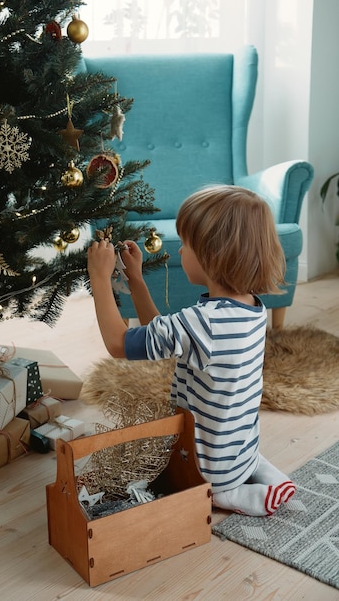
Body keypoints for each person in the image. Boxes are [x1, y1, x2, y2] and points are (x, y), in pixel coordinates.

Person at [87, 185, 297, 517]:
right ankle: (263, 474)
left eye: (186, 245)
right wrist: (137, 281)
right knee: (246, 454)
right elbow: (165, 336)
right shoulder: (251, 309)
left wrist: (98, 279)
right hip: (240, 444)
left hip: (207, 466)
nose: (181, 251)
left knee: (208, 488)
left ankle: (232, 494)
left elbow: (117, 344)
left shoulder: (202, 324)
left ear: (211, 256)